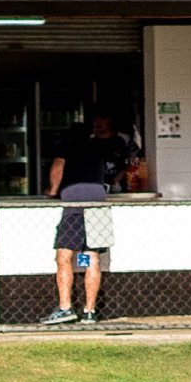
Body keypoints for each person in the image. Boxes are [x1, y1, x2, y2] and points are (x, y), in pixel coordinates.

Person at [43, 112, 127, 327]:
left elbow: (58, 168)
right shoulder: (98, 148)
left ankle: (65, 308)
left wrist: (52, 190)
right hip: (98, 206)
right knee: (90, 257)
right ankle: (89, 312)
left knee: (63, 255)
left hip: (74, 208)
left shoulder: (66, 148)